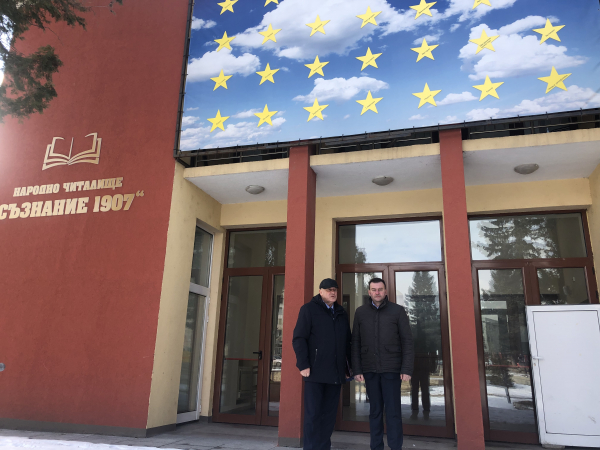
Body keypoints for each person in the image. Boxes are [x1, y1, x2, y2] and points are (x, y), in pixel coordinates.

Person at [351, 278, 414, 450]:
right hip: (369, 370)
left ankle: (395, 447)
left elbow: (407, 341)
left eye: (380, 289)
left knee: (393, 412)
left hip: (392, 370)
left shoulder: (397, 311)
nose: (377, 292)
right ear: (369, 292)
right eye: (374, 289)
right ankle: (376, 446)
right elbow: (355, 342)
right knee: (375, 412)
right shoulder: (361, 312)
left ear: (385, 291)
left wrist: (406, 368)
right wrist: (357, 369)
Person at [292, 278, 352, 450]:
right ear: (320, 291)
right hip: (315, 373)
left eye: (335, 289)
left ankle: (324, 447)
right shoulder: (308, 309)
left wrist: (349, 368)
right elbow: (299, 338)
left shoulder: (341, 312)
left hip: (336, 373)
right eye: (328, 289)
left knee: (329, 416)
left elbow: (347, 342)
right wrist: (303, 364)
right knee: (313, 415)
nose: (332, 292)